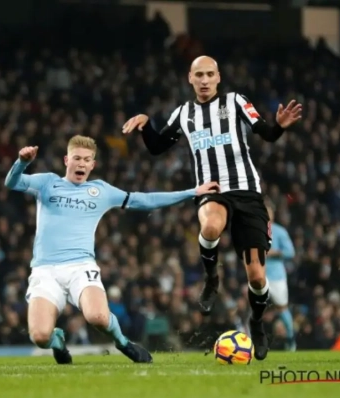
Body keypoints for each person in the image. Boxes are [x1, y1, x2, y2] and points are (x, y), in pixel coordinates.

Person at [121, 55, 302, 360]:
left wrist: (280, 127)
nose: (204, 80)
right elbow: (157, 146)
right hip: (212, 189)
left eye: (209, 74)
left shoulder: (236, 102)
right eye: (199, 75)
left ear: (218, 77)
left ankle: (257, 323)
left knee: (257, 278)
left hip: (247, 193)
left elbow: (267, 134)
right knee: (210, 226)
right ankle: (211, 278)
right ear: (190, 78)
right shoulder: (183, 113)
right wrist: (145, 125)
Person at [4, 135, 219, 364]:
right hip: (45, 270)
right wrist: (22, 162)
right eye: (77, 158)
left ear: (93, 165)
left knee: (97, 317)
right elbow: (12, 183)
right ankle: (57, 341)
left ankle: (123, 342)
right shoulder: (47, 182)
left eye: (87, 159)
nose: (81, 163)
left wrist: (192, 192)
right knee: (39, 336)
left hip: (80, 267)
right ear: (67, 160)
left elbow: (144, 200)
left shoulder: (100, 191)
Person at [265, 203, 296, 351]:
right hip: (257, 275)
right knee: (251, 306)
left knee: (282, 308)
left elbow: (290, 252)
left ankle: (291, 341)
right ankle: (248, 340)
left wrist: (273, 253)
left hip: (276, 276)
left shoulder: (279, 231)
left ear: (273, 215)